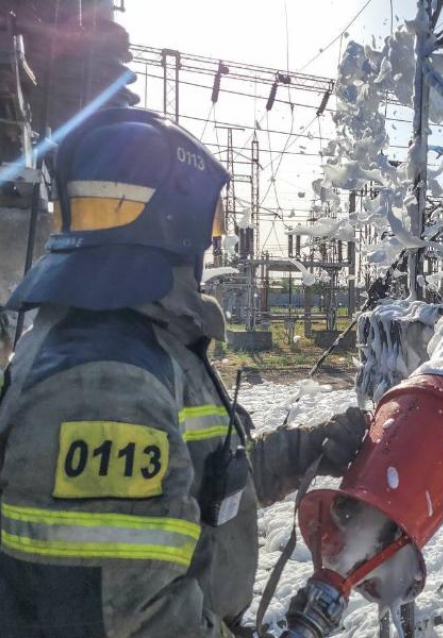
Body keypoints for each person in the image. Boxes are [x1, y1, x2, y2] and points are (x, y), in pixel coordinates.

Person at [0, 108, 368, 638]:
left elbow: (204, 483)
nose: (210, 246)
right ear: (174, 224)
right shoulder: (108, 385)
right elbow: (130, 613)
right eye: (209, 228)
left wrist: (308, 448)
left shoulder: (126, 345)